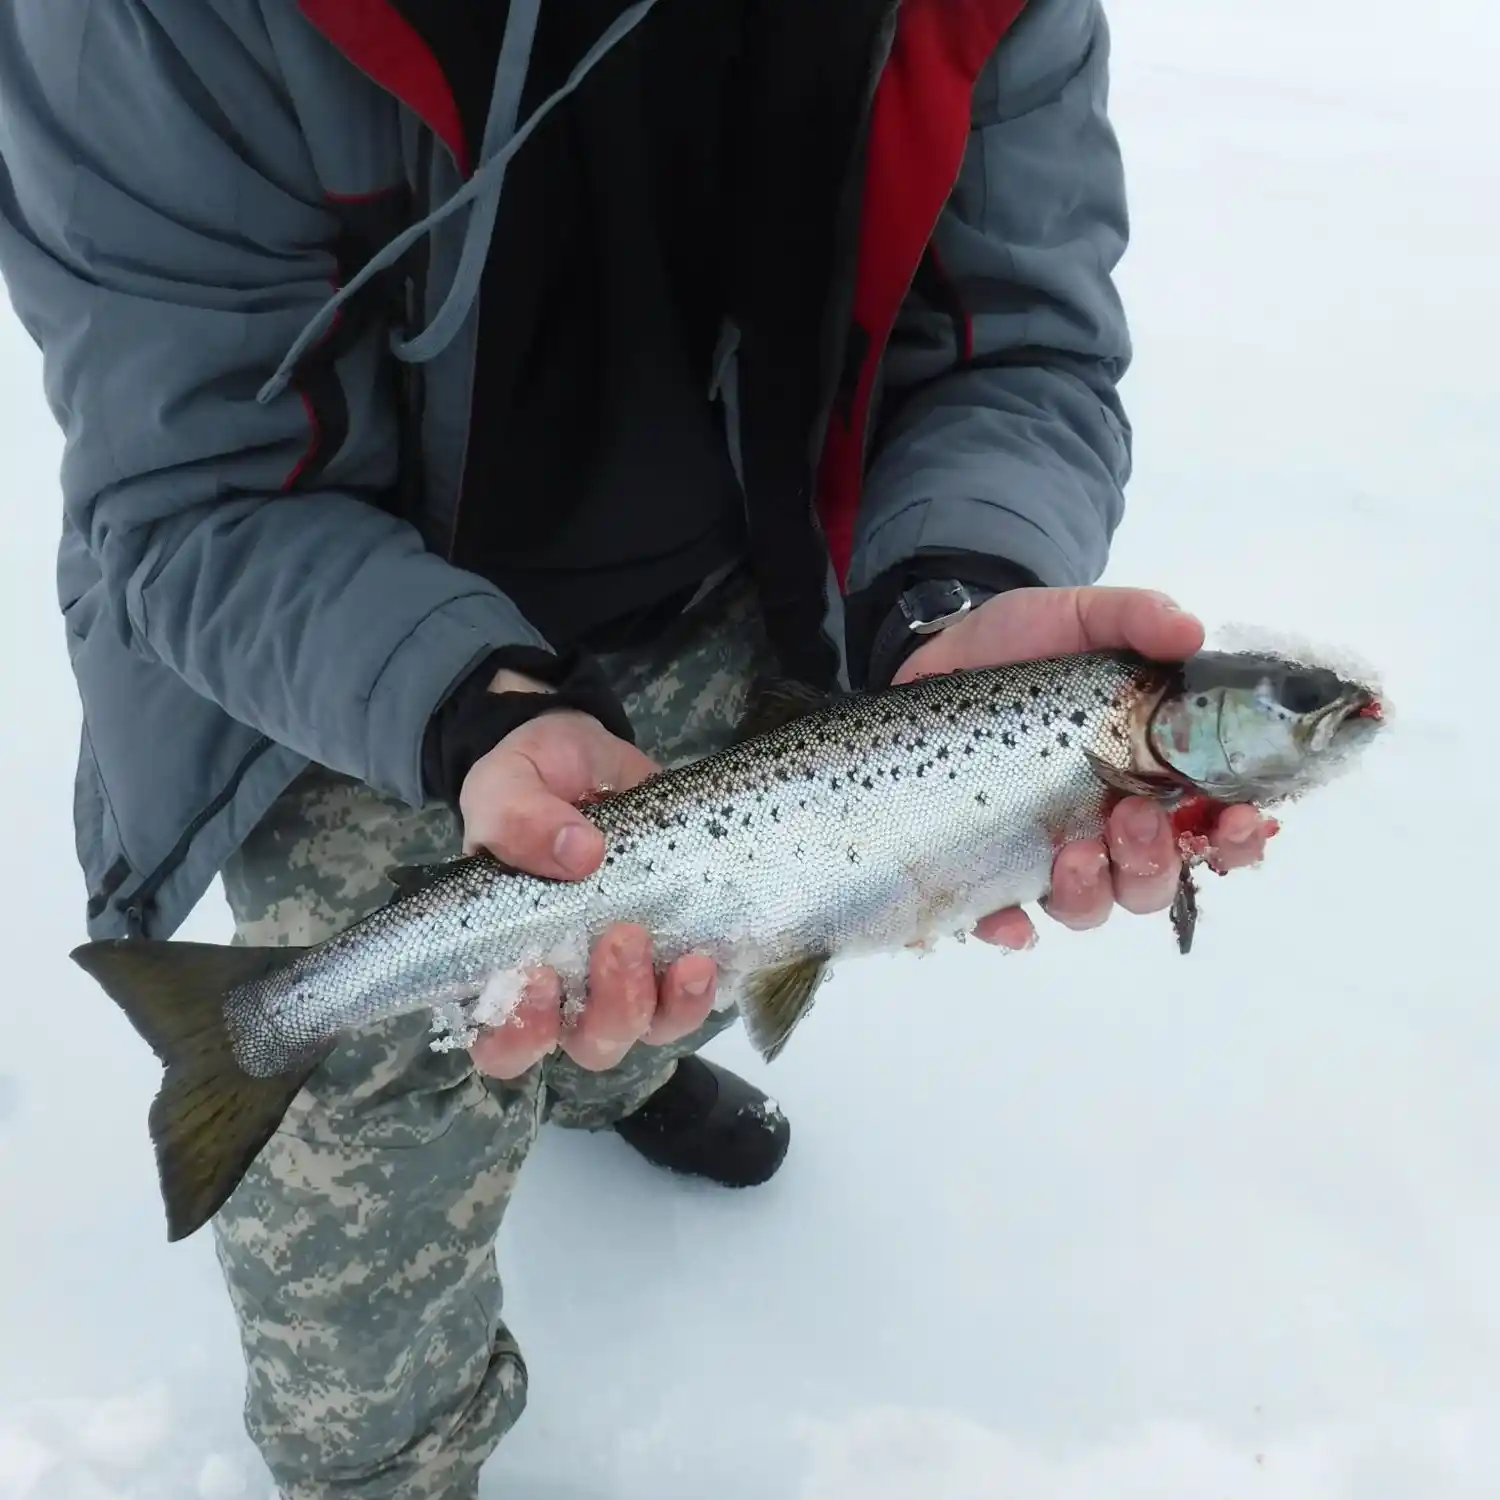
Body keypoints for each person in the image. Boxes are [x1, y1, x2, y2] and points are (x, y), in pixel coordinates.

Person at [0, 0, 1274, 1494]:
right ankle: (382, 1467)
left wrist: (951, 593)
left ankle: (606, 1080)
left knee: (695, 945)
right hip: (352, 663)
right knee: (372, 1174)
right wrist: (475, 707)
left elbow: (1016, 349)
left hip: (758, 593)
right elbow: (197, 490)